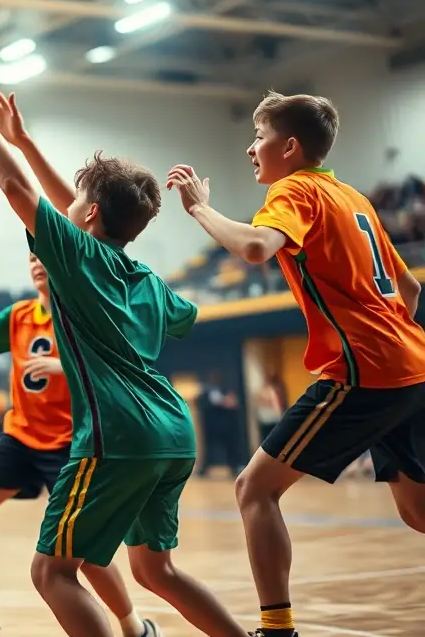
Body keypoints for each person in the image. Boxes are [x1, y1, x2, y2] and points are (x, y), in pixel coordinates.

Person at [0, 64, 246, 637]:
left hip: (117, 433)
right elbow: (81, 213)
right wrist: (25, 140)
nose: (70, 206)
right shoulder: (147, 278)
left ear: (91, 215)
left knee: (52, 573)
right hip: (175, 431)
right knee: (158, 570)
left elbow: (16, 189)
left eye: (79, 202)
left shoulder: (78, 262)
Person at [167, 91, 425, 637]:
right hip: (411, 364)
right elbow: (408, 285)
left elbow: (258, 247)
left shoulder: (297, 188)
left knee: (254, 489)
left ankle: (276, 629)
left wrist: (199, 209)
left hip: (363, 369)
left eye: (258, 137)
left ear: (289, 146)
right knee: (418, 511)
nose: (250, 149)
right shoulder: (353, 197)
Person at [0, 256, 160, 637]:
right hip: (22, 437)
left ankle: (134, 627)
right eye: (30, 257)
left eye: (44, 254)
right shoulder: (19, 316)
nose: (37, 263)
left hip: (73, 444)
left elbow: (120, 368)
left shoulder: (85, 313)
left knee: (87, 552)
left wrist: (65, 367)